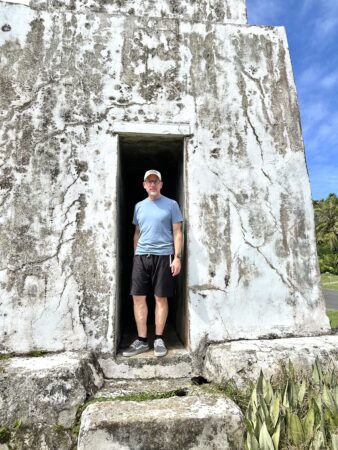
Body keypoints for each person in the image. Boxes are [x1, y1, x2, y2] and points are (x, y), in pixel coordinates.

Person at [122, 169, 183, 357]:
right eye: (149, 182)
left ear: (161, 184)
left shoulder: (171, 205)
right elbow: (137, 233)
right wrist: (135, 256)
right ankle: (141, 341)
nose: (152, 185)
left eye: (156, 181)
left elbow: (177, 232)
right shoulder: (139, 206)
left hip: (163, 256)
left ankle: (158, 339)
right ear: (144, 185)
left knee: (160, 297)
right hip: (141, 256)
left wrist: (177, 257)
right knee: (138, 297)